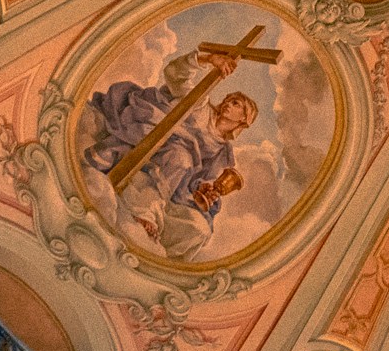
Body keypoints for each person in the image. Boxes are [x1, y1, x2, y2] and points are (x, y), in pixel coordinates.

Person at [82, 50, 264, 258]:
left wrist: (203, 189)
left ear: (244, 119)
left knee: (199, 228)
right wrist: (207, 59)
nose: (227, 102)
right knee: (181, 157)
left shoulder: (223, 153)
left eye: (236, 103)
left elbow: (198, 181)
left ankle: (159, 248)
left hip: (175, 185)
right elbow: (175, 75)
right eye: (229, 99)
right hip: (155, 144)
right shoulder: (201, 107)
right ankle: (144, 212)